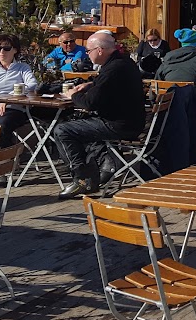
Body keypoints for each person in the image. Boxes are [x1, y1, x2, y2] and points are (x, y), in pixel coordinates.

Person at [53, 32, 145, 199]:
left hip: (118, 125)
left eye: (89, 51)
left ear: (100, 50)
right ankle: (104, 163)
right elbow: (104, 87)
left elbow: (90, 103)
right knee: (76, 122)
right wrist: (90, 84)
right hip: (132, 121)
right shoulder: (124, 62)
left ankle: (83, 179)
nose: (87, 54)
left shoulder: (112, 69)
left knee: (62, 130)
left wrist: (72, 95)